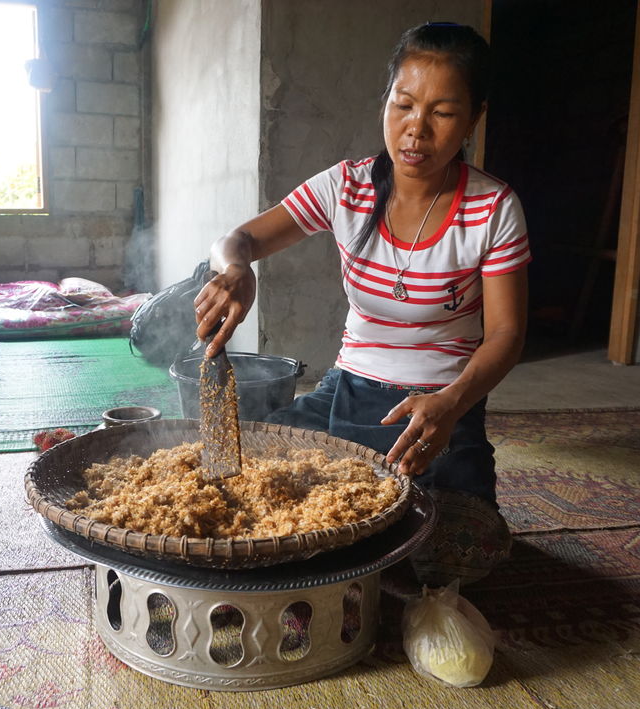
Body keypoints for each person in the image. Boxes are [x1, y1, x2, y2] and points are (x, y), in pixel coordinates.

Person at [193, 22, 529, 588]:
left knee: (462, 546)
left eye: (443, 113)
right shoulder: (347, 187)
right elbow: (239, 239)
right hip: (346, 392)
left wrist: (451, 403)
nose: (416, 129)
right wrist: (235, 269)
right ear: (386, 104)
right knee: (226, 466)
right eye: (404, 105)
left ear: (473, 119)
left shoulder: (493, 208)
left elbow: (506, 335)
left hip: (437, 412)